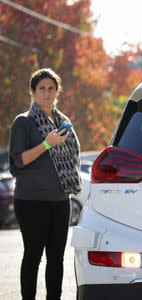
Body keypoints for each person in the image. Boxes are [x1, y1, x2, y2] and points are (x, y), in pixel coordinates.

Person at [9, 68, 81, 300]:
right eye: (42, 89)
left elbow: (72, 157)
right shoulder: (23, 122)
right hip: (31, 201)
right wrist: (46, 144)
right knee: (33, 256)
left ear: (58, 91)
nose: (47, 94)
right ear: (32, 91)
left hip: (61, 201)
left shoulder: (64, 121)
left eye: (51, 89)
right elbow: (19, 161)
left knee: (57, 258)